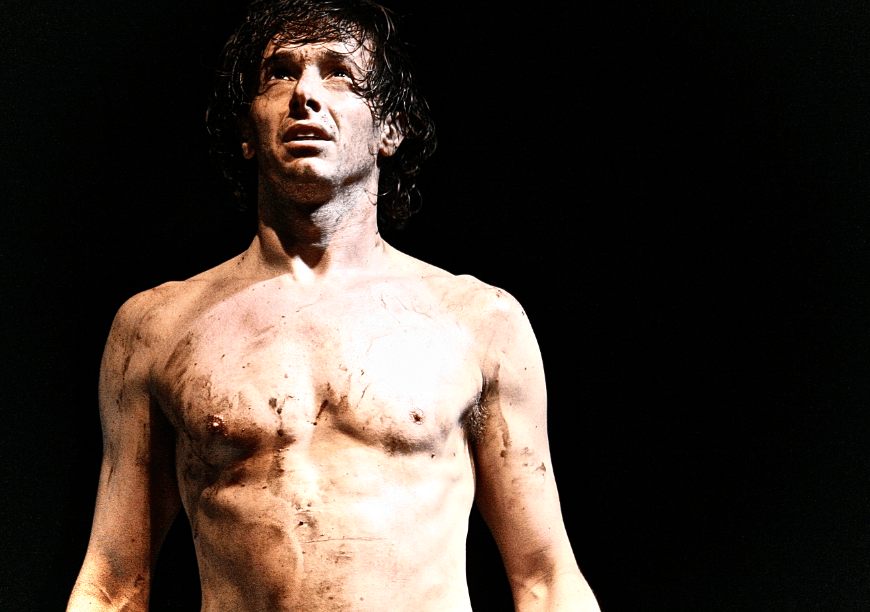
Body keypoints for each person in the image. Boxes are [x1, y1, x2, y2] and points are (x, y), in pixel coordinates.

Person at [66, 1, 600, 610]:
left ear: (389, 129)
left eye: (340, 73)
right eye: (280, 73)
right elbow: (113, 583)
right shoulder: (156, 326)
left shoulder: (480, 321)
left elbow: (545, 578)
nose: (306, 95)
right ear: (246, 131)